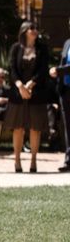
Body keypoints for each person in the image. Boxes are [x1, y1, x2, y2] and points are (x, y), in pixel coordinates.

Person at [4, 21, 49, 173]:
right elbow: (11, 69)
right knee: (18, 128)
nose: (35, 31)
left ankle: (33, 161)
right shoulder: (16, 48)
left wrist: (31, 84)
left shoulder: (42, 49)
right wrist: (20, 86)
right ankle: (17, 161)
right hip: (18, 94)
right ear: (24, 31)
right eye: (31, 28)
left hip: (36, 94)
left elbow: (43, 70)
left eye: (36, 28)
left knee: (36, 129)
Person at [51, 17, 70, 172]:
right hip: (66, 90)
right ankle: (69, 160)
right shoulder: (67, 43)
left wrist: (59, 70)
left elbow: (64, 67)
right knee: (68, 127)